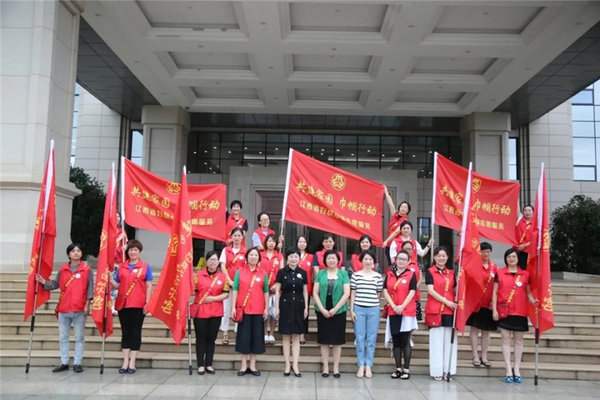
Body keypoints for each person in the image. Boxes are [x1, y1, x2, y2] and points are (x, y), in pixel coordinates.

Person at [36, 243, 93, 373]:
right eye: (73, 251)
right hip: (64, 308)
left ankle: (77, 362)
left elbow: (90, 288)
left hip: (79, 308)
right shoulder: (63, 269)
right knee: (63, 337)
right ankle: (64, 362)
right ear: (69, 254)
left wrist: (87, 305)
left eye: (78, 250)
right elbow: (56, 284)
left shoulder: (87, 269)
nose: (76, 253)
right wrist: (43, 282)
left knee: (79, 337)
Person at [492, 248, 538, 384]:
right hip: (504, 311)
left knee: (519, 341)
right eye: (509, 257)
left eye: (514, 257)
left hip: (520, 311)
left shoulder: (525, 274)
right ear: (506, 259)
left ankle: (517, 369)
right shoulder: (499, 273)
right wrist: (494, 310)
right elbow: (494, 293)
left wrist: (532, 300)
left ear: (518, 259)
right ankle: (507, 369)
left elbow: (528, 292)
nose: (511, 259)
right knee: (505, 340)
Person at [109, 239, 153, 374]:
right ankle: (125, 362)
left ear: (140, 252)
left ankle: (132, 362)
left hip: (138, 304)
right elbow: (117, 285)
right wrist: (108, 278)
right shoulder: (122, 266)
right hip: (123, 304)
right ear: (127, 252)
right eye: (131, 250)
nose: (133, 252)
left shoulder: (145, 267)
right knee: (125, 333)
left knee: (135, 333)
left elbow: (149, 285)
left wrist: (148, 302)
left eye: (135, 250)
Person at [231, 247, 269, 376]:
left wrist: (266, 308)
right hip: (244, 310)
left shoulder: (263, 273)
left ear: (259, 258)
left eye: (256, 255)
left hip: (258, 310)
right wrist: (233, 307)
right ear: (246, 257)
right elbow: (235, 289)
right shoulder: (239, 272)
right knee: (244, 338)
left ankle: (253, 366)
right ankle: (243, 366)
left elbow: (266, 291)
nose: (253, 257)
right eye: (251, 255)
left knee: (256, 338)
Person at [313, 249, 350, 378]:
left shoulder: (343, 274)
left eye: (334, 258)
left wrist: (335, 309)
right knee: (323, 340)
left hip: (339, 309)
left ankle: (336, 368)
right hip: (322, 308)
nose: (331, 260)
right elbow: (315, 293)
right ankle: (325, 368)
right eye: (329, 258)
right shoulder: (321, 274)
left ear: (338, 260)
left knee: (337, 340)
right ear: (325, 260)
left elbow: (346, 293)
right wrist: (322, 309)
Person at [191, 251, 229, 375]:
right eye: (210, 260)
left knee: (211, 339)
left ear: (219, 262)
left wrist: (213, 299)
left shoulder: (223, 277)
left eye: (215, 260)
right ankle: (200, 364)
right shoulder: (198, 275)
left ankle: (209, 364)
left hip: (216, 312)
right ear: (206, 261)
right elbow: (192, 291)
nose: (213, 262)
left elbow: (226, 294)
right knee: (200, 339)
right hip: (200, 312)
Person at [383, 250, 417, 380]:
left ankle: (406, 369)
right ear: (395, 260)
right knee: (396, 340)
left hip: (406, 311)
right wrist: (393, 305)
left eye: (404, 259)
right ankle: (398, 368)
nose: (401, 261)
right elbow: (385, 290)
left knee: (405, 341)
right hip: (393, 311)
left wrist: (402, 306)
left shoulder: (411, 275)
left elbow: (412, 291)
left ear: (408, 261)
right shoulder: (390, 274)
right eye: (399, 258)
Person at [425, 246, 457, 381]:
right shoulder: (430, 272)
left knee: (449, 340)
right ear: (434, 257)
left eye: (444, 256)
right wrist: (446, 301)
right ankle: (437, 370)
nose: (441, 258)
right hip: (435, 309)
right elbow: (430, 291)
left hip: (449, 311)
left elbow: (455, 290)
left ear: (447, 258)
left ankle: (448, 369)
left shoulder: (451, 273)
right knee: (436, 341)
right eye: (439, 256)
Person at [349, 250, 383, 378]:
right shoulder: (356, 275)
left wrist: (372, 303)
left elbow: (379, 293)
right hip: (359, 308)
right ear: (361, 261)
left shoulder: (378, 276)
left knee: (371, 338)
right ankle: (360, 365)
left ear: (373, 262)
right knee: (360, 337)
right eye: (366, 259)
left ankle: (368, 365)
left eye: (370, 259)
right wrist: (352, 310)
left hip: (373, 308)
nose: (368, 261)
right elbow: (353, 293)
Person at [275, 247, 308, 377]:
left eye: (296, 256)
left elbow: (305, 291)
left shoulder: (303, 273)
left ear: (299, 258)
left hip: (299, 305)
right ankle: (287, 365)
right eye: (291, 256)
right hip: (285, 305)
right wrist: (277, 307)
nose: (293, 259)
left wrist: (306, 307)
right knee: (285, 336)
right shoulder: (281, 272)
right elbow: (277, 291)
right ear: (286, 258)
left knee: (296, 337)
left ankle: (295, 364)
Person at [467, 242, 497, 368]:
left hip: (488, 304)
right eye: (483, 251)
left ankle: (484, 356)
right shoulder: (474, 266)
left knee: (486, 331)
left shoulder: (495, 268)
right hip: (475, 303)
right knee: (474, 329)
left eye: (488, 251)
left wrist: (494, 303)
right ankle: (475, 356)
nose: (486, 254)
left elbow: (497, 287)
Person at [219, 227, 246, 345]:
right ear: (231, 237)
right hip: (227, 284)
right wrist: (229, 280)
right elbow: (223, 266)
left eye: (239, 236)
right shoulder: (226, 250)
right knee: (226, 309)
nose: (237, 238)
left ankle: (237, 333)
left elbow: (246, 268)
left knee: (239, 308)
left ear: (242, 237)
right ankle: (225, 333)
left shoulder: (245, 251)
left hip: (240, 285)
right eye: (235, 235)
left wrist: (239, 282)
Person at [260, 234, 282, 344]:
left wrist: (277, 285)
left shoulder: (279, 256)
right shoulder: (260, 255)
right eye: (269, 241)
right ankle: (264, 333)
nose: (271, 243)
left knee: (274, 312)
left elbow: (282, 273)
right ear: (266, 243)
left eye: (273, 241)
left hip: (275, 289)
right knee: (265, 312)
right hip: (262, 289)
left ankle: (272, 333)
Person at [383, 186, 411, 263]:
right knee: (390, 264)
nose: (403, 208)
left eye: (405, 207)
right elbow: (390, 204)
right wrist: (385, 191)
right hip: (389, 245)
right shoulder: (395, 215)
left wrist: (386, 241)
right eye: (402, 206)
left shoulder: (405, 221)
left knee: (396, 264)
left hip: (397, 245)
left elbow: (396, 232)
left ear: (408, 210)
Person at [296, 235, 313, 344]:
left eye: (304, 242)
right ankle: (295, 334)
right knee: (295, 311)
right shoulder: (293, 255)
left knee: (304, 311)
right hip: (294, 287)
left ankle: (302, 334)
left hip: (307, 287)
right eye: (300, 242)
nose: (302, 244)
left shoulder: (311, 257)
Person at [401, 240, 423, 321]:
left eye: (410, 249)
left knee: (413, 321)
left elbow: (420, 279)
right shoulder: (396, 264)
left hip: (414, 296)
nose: (408, 251)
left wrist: (412, 290)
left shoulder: (417, 264)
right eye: (406, 249)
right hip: (400, 296)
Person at [515, 205, 536, 270]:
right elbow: (517, 209)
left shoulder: (536, 223)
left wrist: (524, 245)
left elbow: (537, 238)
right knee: (519, 269)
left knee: (530, 269)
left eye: (529, 210)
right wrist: (516, 195)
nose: (527, 212)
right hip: (518, 250)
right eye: (525, 210)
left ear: (533, 212)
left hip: (530, 250)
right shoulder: (519, 220)